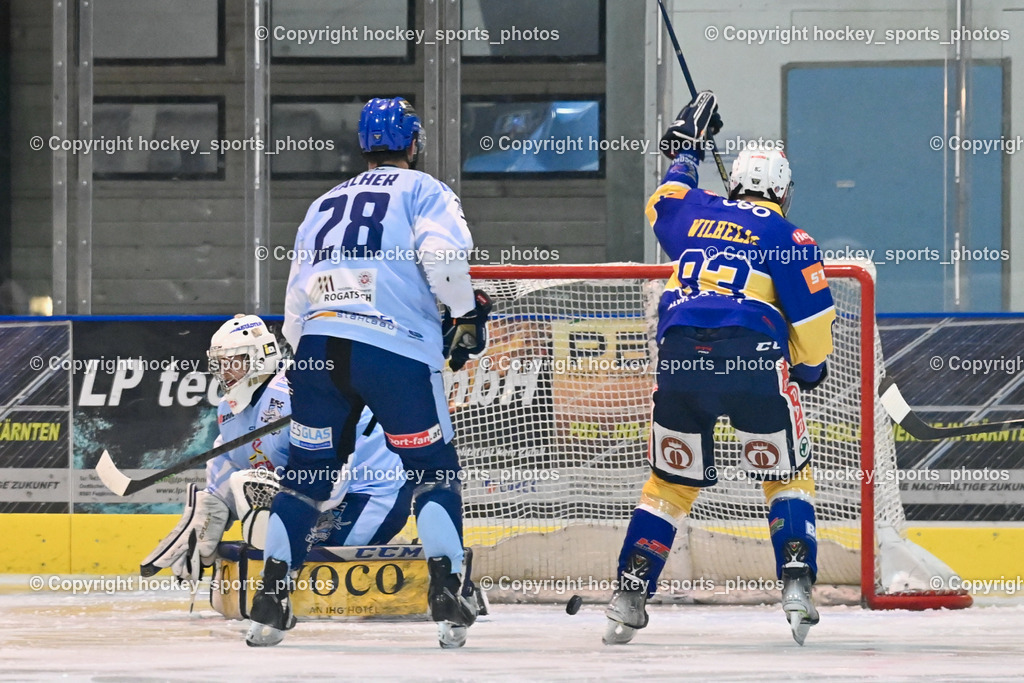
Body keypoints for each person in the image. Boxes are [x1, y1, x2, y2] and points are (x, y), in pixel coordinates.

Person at [247, 98, 490, 648]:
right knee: (432, 472)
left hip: (317, 349)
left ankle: (270, 600)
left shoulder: (322, 204)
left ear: (363, 145)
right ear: (414, 143)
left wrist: (311, 369)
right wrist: (465, 314)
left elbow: (295, 300)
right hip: (393, 350)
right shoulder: (424, 190)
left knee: (304, 480)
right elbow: (444, 259)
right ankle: (448, 594)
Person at [604, 92, 835, 647]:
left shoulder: (698, 210)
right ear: (783, 191)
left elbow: (663, 200)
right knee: (785, 475)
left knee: (669, 485)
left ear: (734, 184)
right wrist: (806, 372)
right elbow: (814, 333)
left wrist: (687, 151)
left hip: (680, 358)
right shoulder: (792, 237)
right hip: (752, 360)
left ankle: (629, 596)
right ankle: (796, 586)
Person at [142, 315, 410, 593]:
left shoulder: (298, 394)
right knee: (283, 554)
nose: (225, 372)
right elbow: (229, 460)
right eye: (220, 364)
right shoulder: (228, 410)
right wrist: (211, 510)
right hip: (320, 498)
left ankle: (389, 551)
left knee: (307, 563)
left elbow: (331, 481)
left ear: (261, 357)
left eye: (233, 362)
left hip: (372, 491)